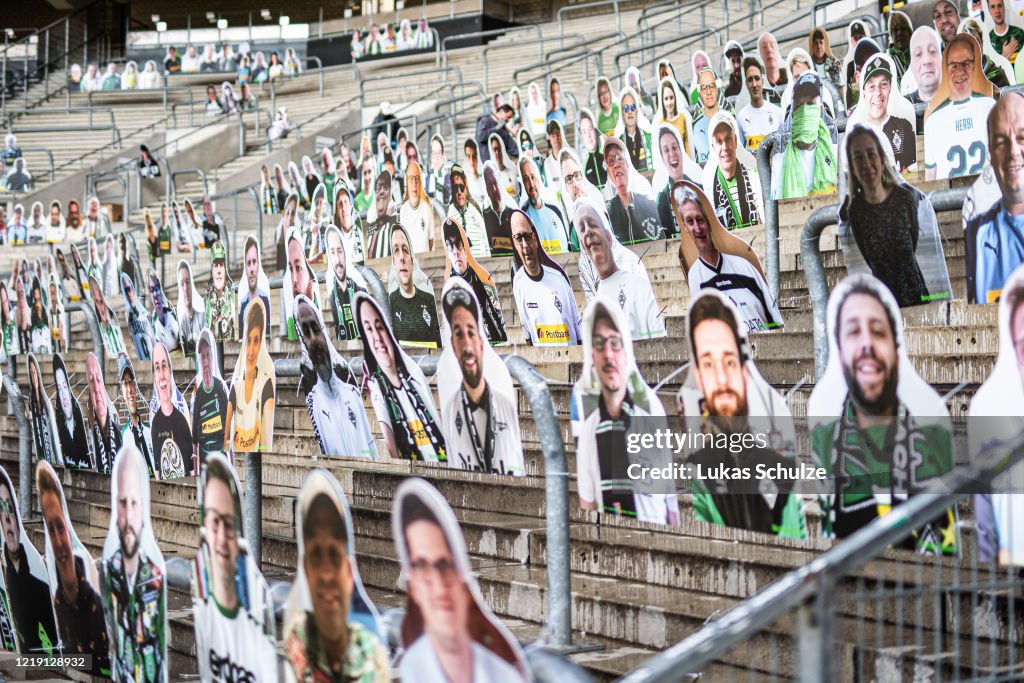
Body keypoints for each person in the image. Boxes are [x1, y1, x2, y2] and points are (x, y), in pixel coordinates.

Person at [809, 275, 958, 555]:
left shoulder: (930, 425)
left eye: (878, 331)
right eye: (853, 332)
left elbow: (945, 541)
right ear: (839, 352)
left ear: (895, 349)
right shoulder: (826, 432)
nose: (867, 343)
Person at [681, 292, 806, 537]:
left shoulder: (776, 451)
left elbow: (792, 536)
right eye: (708, 364)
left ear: (743, 367)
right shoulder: (700, 466)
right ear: (698, 374)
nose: (721, 378)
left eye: (728, 361)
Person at [394, 481, 527, 682]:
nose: (439, 588)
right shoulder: (411, 667)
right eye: (422, 567)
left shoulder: (504, 675)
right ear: (413, 585)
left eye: (444, 565)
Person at [571, 298, 680, 525]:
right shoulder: (590, 426)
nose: (608, 354)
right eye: (599, 344)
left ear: (626, 351)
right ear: (592, 355)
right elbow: (587, 500)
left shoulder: (649, 410)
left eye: (615, 343)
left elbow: (668, 495)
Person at [284, 471, 389, 682]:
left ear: (349, 571)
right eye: (316, 556)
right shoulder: (297, 634)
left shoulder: (370, 648)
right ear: (305, 570)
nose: (326, 575)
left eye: (334, 555)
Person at [841, 123, 952, 307]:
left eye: (871, 154)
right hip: (883, 301)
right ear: (852, 168)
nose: (867, 164)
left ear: (882, 160)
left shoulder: (905, 198)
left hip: (914, 291)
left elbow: (913, 243)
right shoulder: (855, 211)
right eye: (858, 158)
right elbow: (868, 258)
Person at [194, 454, 277, 681]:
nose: (221, 537)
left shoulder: (258, 605)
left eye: (229, 524)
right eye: (214, 523)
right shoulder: (200, 592)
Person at [437, 280, 524, 475]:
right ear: (452, 344)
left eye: (471, 332)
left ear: (481, 342)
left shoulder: (504, 403)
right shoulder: (451, 410)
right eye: (458, 334)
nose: (467, 345)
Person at [674, 181, 783, 333]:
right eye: (690, 222)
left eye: (700, 220)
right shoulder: (695, 276)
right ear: (685, 227)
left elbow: (776, 323)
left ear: (709, 221)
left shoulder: (744, 266)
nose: (697, 228)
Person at [101, 445, 166, 683]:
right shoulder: (108, 570)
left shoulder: (155, 577)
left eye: (135, 504)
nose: (128, 516)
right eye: (122, 502)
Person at [37, 462, 110, 676]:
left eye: (60, 527)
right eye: (51, 530)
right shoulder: (50, 604)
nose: (58, 541)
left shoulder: (96, 605)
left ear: (69, 531)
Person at [356, 293, 447, 461]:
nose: (377, 337)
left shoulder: (414, 372)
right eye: (369, 329)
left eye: (379, 326)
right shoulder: (376, 382)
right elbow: (389, 440)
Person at [296, 296, 376, 459]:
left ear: (323, 329)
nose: (313, 339)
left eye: (315, 329)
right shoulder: (312, 397)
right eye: (306, 332)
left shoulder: (349, 382)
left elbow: (368, 441)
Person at [575, 198, 664, 340]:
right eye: (582, 228)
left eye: (592, 224)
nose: (588, 232)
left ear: (608, 235)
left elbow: (657, 334)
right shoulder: (586, 272)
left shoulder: (632, 263)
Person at [0, 467, 58, 655]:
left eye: (9, 507)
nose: (7, 518)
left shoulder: (40, 587)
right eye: (1, 509)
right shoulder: (7, 576)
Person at [924, 33, 996, 181]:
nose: (960, 72)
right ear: (945, 69)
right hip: (951, 202)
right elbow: (930, 178)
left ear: (975, 66)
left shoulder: (990, 107)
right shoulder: (933, 121)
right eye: (954, 66)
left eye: (966, 64)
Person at [511, 210, 581, 346]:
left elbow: (578, 330)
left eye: (527, 236)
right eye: (519, 238)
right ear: (514, 243)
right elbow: (528, 335)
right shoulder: (518, 283)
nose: (525, 245)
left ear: (535, 240)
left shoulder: (559, 278)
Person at [772, 71, 838, 199]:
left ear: (820, 108)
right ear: (792, 110)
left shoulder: (835, 154)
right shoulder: (779, 163)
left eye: (811, 103)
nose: (806, 110)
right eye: (801, 104)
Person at [443, 217, 506, 344]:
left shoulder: (483, 280)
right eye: (450, 247)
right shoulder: (449, 288)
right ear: (448, 254)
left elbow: (499, 327)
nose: (455, 252)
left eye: (458, 245)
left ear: (465, 250)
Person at [851, 54, 917, 174]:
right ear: (864, 92)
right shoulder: (855, 134)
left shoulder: (904, 126)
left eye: (883, 84)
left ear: (891, 88)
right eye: (871, 86)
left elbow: (912, 170)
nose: (878, 93)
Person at [225, 299, 276, 453]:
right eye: (249, 341)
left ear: (261, 343)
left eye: (256, 341)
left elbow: (266, 442)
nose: (252, 351)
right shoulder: (237, 375)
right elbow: (225, 435)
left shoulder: (267, 376)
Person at [702, 111, 763, 230]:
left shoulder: (753, 174)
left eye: (728, 139)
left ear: (735, 140)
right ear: (713, 147)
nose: (724, 147)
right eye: (719, 141)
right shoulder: (709, 184)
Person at [387, 226, 442, 347]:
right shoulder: (391, 301)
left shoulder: (428, 299)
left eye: (405, 250)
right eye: (396, 250)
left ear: (412, 262)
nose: (402, 257)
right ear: (393, 263)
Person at [604, 136, 665, 244]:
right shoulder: (607, 213)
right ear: (608, 172)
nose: (616, 165)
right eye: (611, 161)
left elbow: (661, 241)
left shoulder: (648, 203)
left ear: (628, 164)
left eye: (620, 158)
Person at [149, 343, 191, 479]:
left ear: (170, 370)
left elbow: (191, 466)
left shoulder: (182, 413)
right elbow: (157, 471)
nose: (161, 375)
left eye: (164, 366)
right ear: (154, 377)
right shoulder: (154, 419)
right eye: (157, 368)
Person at [189, 330, 228, 475]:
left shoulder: (222, 387)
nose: (205, 362)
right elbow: (194, 439)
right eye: (202, 357)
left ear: (214, 357)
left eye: (208, 356)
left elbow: (229, 431)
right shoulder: (196, 393)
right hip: (205, 467)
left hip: (223, 466)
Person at [519, 156, 569, 254]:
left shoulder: (555, 210)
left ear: (539, 179)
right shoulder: (522, 216)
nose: (531, 184)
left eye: (533, 177)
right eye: (526, 179)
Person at [117, 354, 156, 478]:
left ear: (136, 386)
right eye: (124, 384)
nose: (129, 389)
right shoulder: (123, 436)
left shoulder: (150, 430)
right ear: (121, 392)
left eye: (131, 382)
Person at [86, 352, 121, 475]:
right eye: (91, 381)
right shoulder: (89, 433)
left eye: (99, 380)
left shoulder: (119, 430)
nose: (96, 388)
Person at [237, 235, 271, 336]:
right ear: (245, 267)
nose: (252, 268)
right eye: (248, 263)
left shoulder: (265, 300)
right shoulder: (242, 306)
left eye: (254, 262)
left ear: (258, 264)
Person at [616, 86, 654, 171]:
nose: (630, 112)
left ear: (636, 110)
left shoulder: (648, 134)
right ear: (622, 112)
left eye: (632, 107)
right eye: (626, 108)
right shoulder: (619, 141)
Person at [400, 161, 434, 254]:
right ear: (407, 182)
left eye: (417, 178)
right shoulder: (404, 210)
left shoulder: (427, 208)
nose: (414, 183)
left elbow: (431, 241)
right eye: (411, 179)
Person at [905, 26, 943, 104]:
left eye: (932, 51)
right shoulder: (902, 110)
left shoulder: (960, 99)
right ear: (911, 65)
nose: (927, 60)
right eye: (918, 54)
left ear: (942, 58)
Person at [121, 273, 152, 361]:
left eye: (129, 289)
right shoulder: (128, 315)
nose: (128, 293)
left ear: (133, 290)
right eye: (125, 291)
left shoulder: (145, 314)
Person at [757, 32, 788, 104]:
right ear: (759, 55)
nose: (769, 50)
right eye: (764, 47)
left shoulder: (791, 81)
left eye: (772, 45)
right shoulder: (757, 89)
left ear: (778, 50)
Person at [989, 0, 1024, 65]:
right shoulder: (988, 41)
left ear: (1004, 8)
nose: (997, 11)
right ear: (989, 11)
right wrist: (1004, 56)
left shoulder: (1020, 33)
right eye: (993, 7)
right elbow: (989, 73)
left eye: (999, 5)